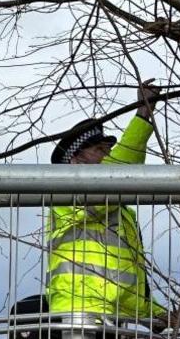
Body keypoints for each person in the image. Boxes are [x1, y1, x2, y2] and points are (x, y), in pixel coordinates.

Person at [44, 83, 168, 327]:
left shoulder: (118, 211)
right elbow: (120, 172)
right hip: (79, 312)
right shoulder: (66, 190)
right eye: (99, 150)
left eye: (107, 150)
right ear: (75, 159)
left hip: (106, 317)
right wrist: (143, 115)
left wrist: (154, 313)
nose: (106, 156)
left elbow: (123, 281)